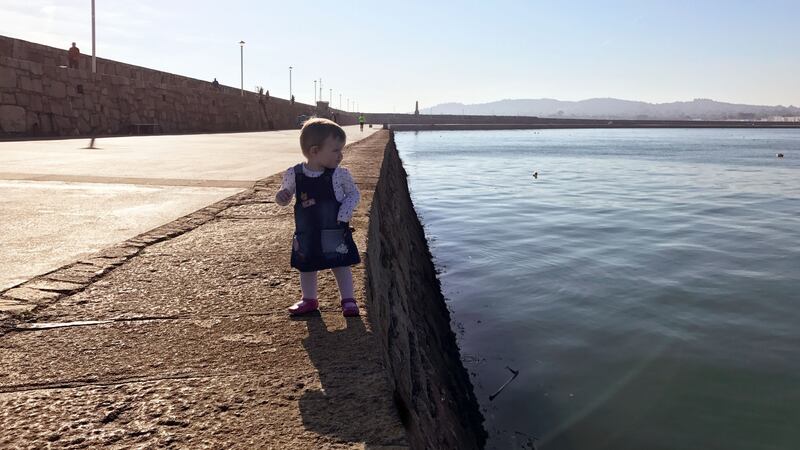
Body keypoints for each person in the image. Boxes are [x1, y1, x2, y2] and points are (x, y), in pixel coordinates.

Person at [274, 118, 361, 317]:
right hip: (307, 231)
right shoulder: (294, 174)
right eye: (336, 150)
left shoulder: (340, 174)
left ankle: (348, 299)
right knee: (306, 266)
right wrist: (282, 197)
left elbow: (354, 194)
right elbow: (284, 196)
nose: (341, 155)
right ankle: (309, 299)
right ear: (314, 151)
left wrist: (344, 213)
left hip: (334, 228)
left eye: (341, 150)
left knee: (340, 263)